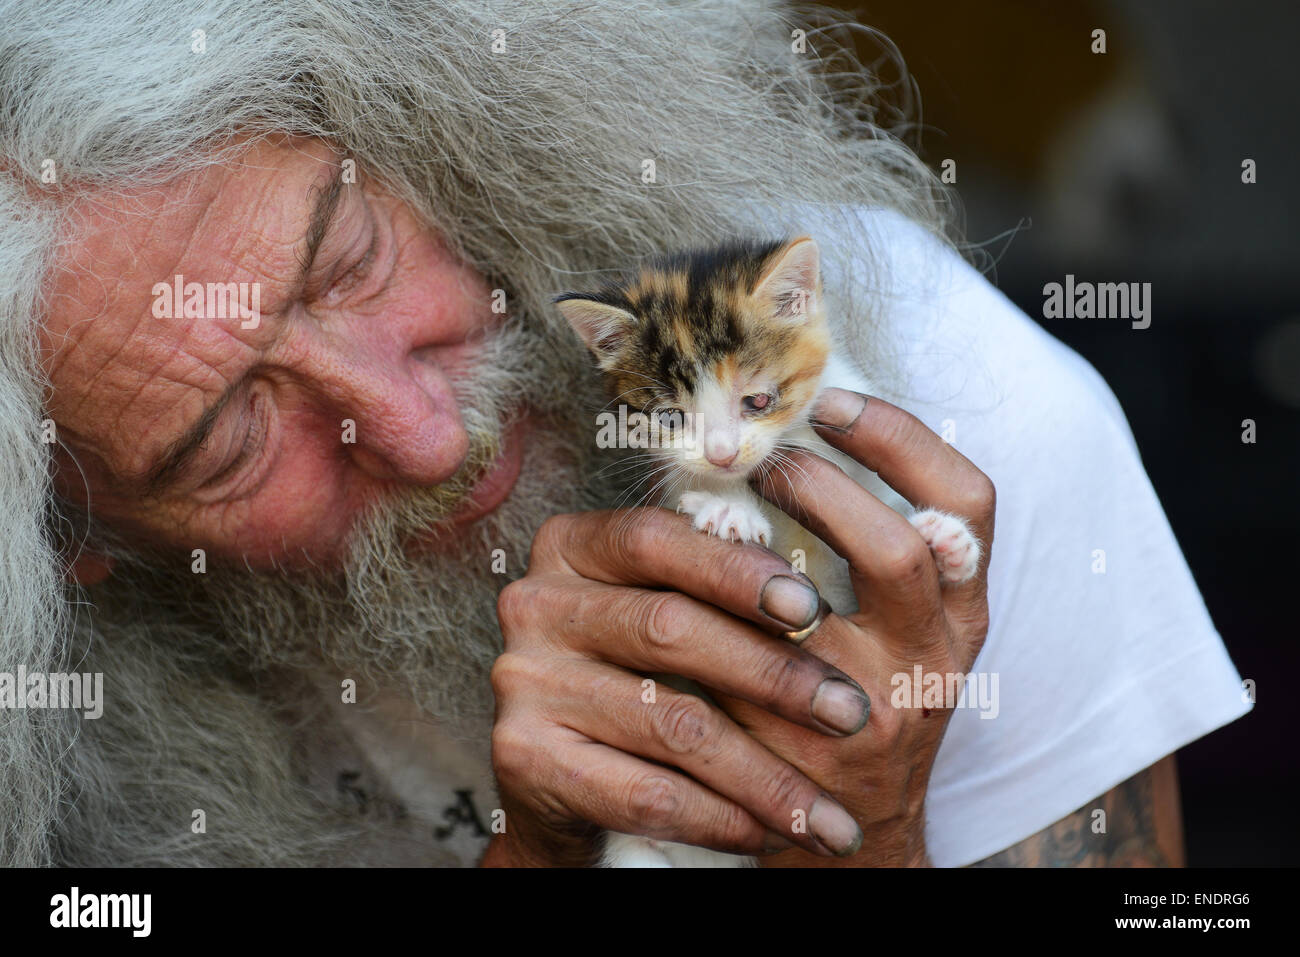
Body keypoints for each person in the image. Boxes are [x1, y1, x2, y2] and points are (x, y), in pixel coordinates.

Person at [0, 0, 1249, 867]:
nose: (426, 438)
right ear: (71, 538)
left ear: (425, 145)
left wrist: (851, 833)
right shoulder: (58, 741)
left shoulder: (951, 403)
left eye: (351, 260)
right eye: (228, 447)